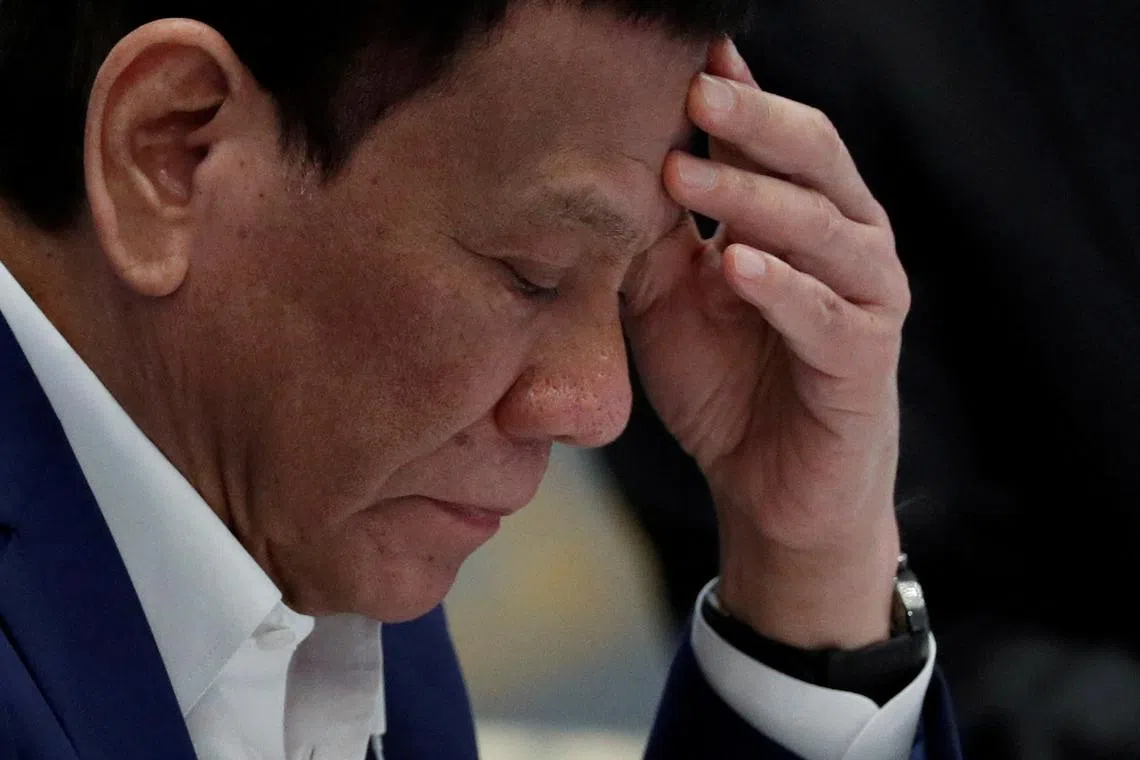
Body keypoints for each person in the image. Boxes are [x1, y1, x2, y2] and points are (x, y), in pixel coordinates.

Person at [0, 2, 961, 759]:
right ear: (171, 151)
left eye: (629, 288)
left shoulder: (337, 544)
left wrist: (806, 566)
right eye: (531, 273)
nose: (601, 406)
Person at [603, 0, 1140, 757]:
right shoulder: (790, 48)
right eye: (528, 279)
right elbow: (960, 642)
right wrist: (818, 564)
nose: (581, 409)